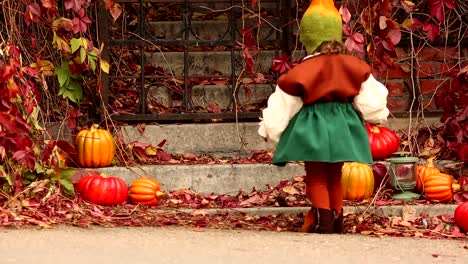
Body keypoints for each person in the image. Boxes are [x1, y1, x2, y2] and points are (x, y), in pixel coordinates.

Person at [258, 0, 389, 234]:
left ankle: (322, 222)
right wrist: (376, 117)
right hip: (343, 126)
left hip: (313, 127)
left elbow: (284, 104)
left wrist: (272, 130)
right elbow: (370, 99)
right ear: (336, 34)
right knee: (335, 175)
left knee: (316, 175)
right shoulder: (354, 66)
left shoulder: (300, 72)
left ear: (307, 37)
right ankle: (337, 220)